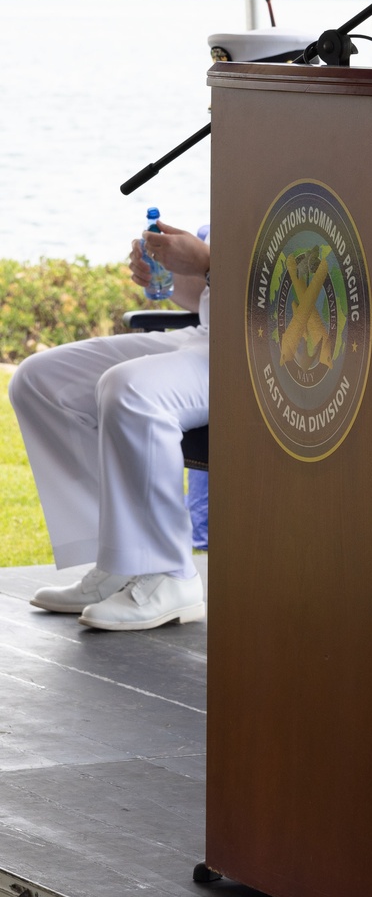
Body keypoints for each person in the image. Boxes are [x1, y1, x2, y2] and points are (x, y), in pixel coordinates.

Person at [9, 221, 211, 631]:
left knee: (129, 389)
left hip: (267, 350)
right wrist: (173, 275)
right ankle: (120, 560)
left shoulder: (313, 177)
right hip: (207, 334)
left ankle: (170, 574)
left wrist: (207, 262)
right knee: (40, 379)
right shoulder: (240, 180)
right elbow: (207, 298)